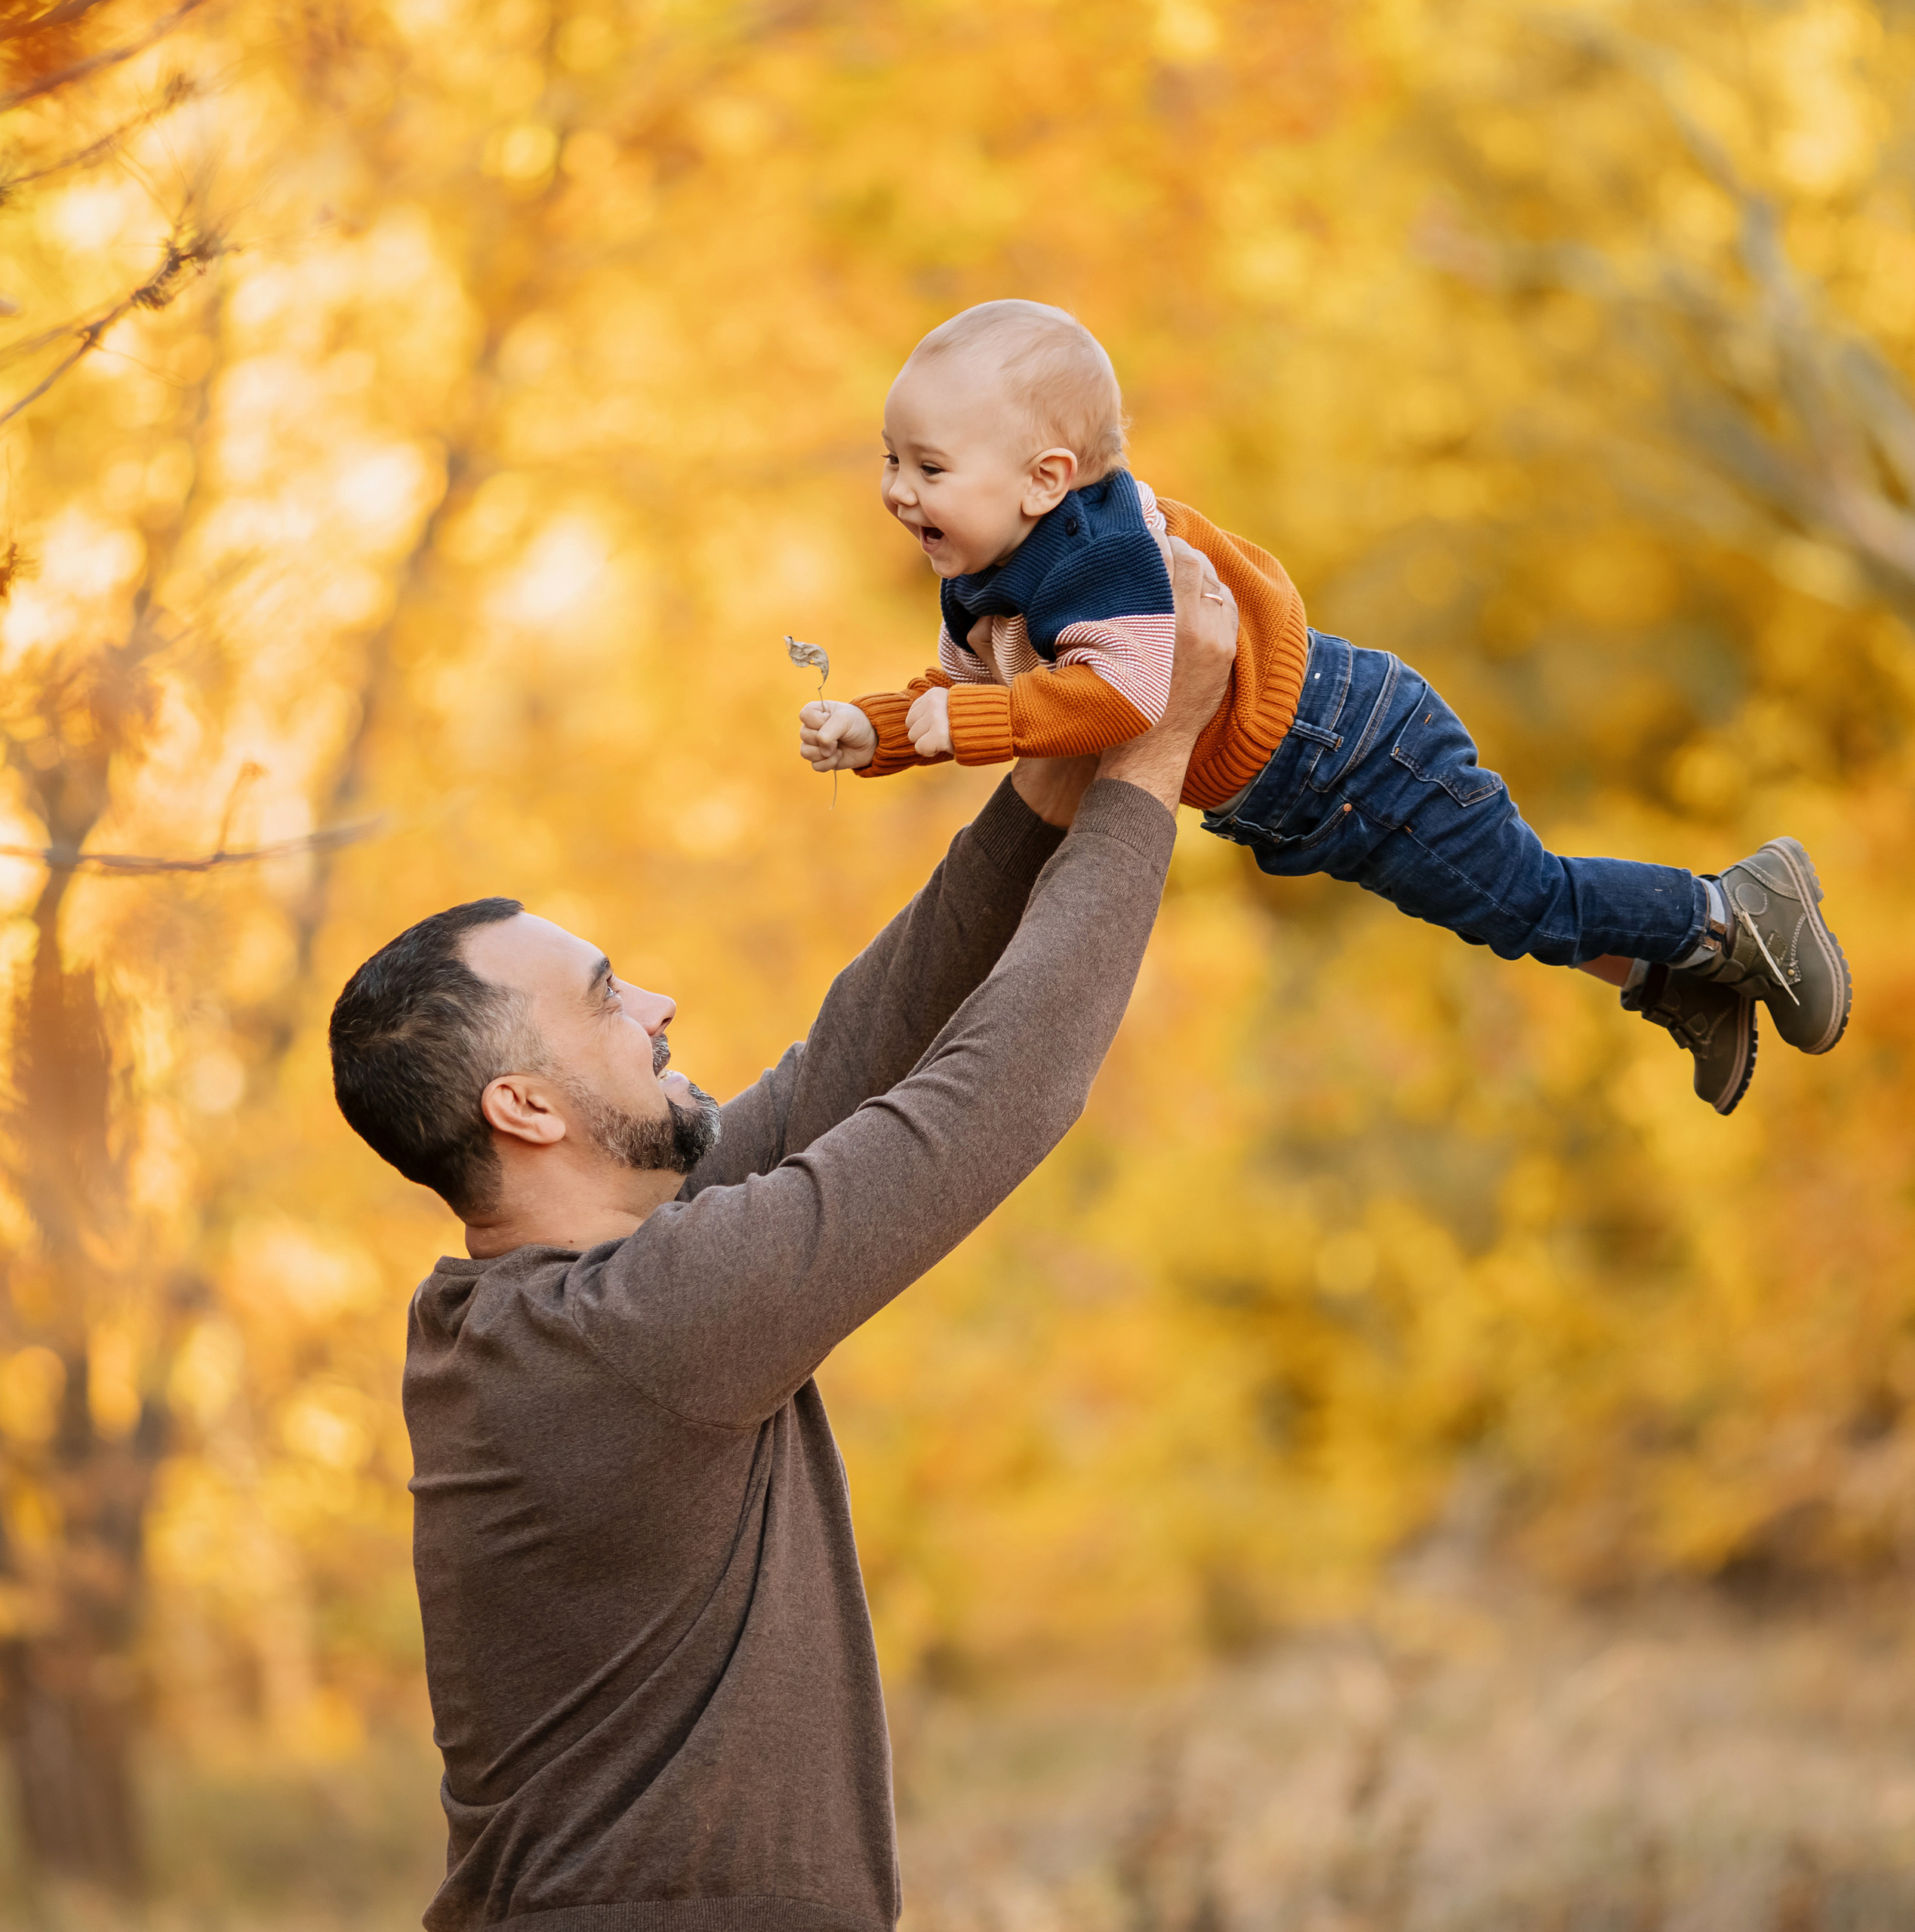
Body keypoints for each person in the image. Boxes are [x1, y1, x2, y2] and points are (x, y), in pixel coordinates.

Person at [325, 539, 1238, 1931]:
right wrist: (1153, 764)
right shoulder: (638, 1333)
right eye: (608, 997)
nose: (662, 1006)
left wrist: (1049, 780)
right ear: (523, 1105)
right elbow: (991, 1099)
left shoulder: (540, 1310)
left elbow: (852, 1063)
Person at [798, 300, 1852, 1117]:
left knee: (1524, 896)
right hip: (1302, 794)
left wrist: (973, 726)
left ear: (1045, 479)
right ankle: (1683, 982)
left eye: (929, 468)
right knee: (1486, 912)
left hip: (1355, 745)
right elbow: (975, 697)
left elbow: (1123, 701)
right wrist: (880, 728)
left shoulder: (1108, 555)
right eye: (891, 460)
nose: (898, 491)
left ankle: (1730, 913)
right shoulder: (988, 570)